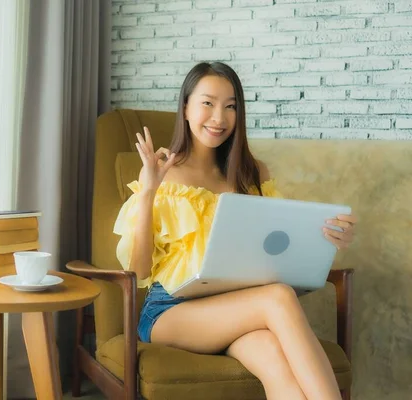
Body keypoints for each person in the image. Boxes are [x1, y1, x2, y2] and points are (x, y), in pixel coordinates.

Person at [113, 61, 357, 400]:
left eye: (231, 106)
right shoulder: (163, 174)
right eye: (208, 103)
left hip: (237, 308)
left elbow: (278, 249)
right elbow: (137, 270)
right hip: (170, 312)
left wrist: (325, 238)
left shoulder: (254, 173)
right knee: (278, 297)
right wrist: (149, 191)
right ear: (185, 107)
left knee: (275, 360)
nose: (219, 118)